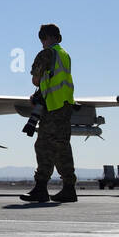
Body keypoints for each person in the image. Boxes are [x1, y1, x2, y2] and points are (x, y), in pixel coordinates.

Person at [20, 23, 77, 203]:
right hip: (65, 105)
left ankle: (41, 188)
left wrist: (38, 90)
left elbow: (36, 79)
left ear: (46, 37)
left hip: (52, 107)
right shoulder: (64, 54)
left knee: (44, 147)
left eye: (42, 39)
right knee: (62, 147)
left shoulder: (47, 53)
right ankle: (69, 188)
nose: (42, 43)